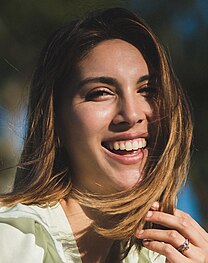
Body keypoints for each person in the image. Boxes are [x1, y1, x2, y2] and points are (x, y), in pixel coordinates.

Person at [0, 7, 207, 263]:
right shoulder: (9, 241)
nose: (132, 114)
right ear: (55, 124)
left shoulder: (158, 257)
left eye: (147, 90)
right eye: (100, 93)